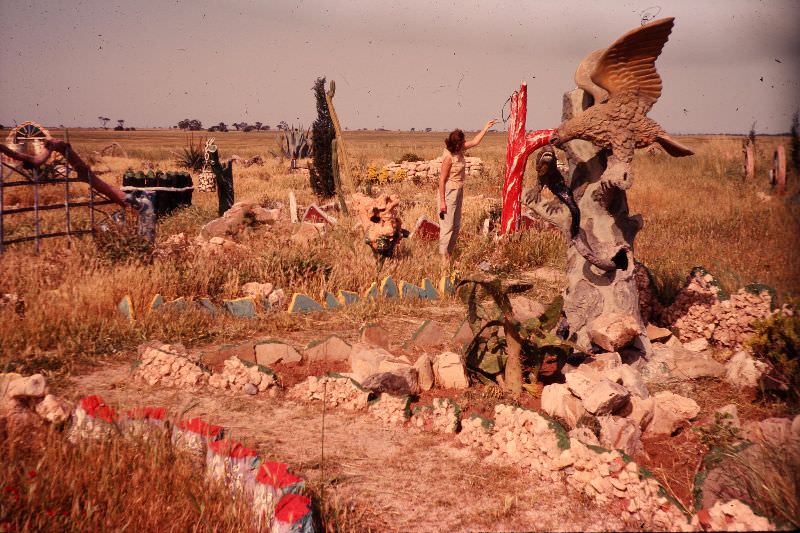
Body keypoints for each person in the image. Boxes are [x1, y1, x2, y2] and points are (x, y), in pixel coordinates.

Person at [438, 119, 496, 266]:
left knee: (456, 226)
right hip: (448, 192)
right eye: (461, 142)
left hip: (458, 191)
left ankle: (449, 254)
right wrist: (443, 202)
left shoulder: (460, 149)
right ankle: (443, 259)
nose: (464, 144)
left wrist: (486, 128)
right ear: (455, 144)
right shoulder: (448, 157)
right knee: (447, 227)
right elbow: (442, 180)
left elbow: (476, 141)